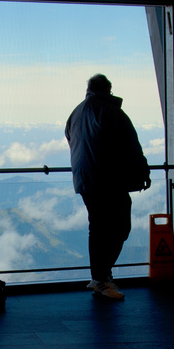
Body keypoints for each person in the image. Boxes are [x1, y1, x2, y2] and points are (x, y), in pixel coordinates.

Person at [65, 73, 151, 301]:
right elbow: (131, 145)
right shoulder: (112, 112)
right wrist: (143, 172)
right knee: (120, 227)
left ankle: (99, 277)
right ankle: (103, 278)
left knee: (98, 228)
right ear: (108, 90)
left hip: (85, 180)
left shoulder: (76, 112)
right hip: (108, 180)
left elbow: (71, 139)